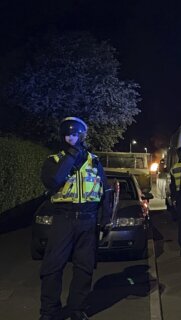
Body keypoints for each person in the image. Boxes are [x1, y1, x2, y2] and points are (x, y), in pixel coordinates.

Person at [39, 117, 113, 320]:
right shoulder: (54, 160)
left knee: (84, 266)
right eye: (67, 135)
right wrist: (71, 156)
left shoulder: (94, 161)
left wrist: (106, 217)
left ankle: (76, 308)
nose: (70, 139)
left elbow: (105, 190)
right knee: (53, 266)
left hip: (88, 220)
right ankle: (49, 312)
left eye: (74, 135)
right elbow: (53, 181)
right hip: (63, 218)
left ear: (82, 136)